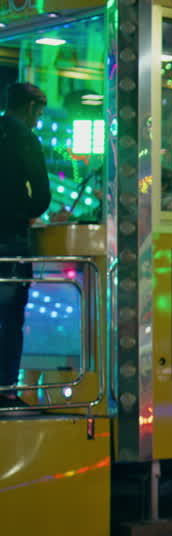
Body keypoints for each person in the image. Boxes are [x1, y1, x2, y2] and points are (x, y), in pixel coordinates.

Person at [0, 82, 50, 408]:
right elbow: (43, 196)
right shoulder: (25, 138)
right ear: (31, 107)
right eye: (39, 113)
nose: (37, 120)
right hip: (9, 241)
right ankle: (5, 389)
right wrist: (25, 213)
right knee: (10, 315)